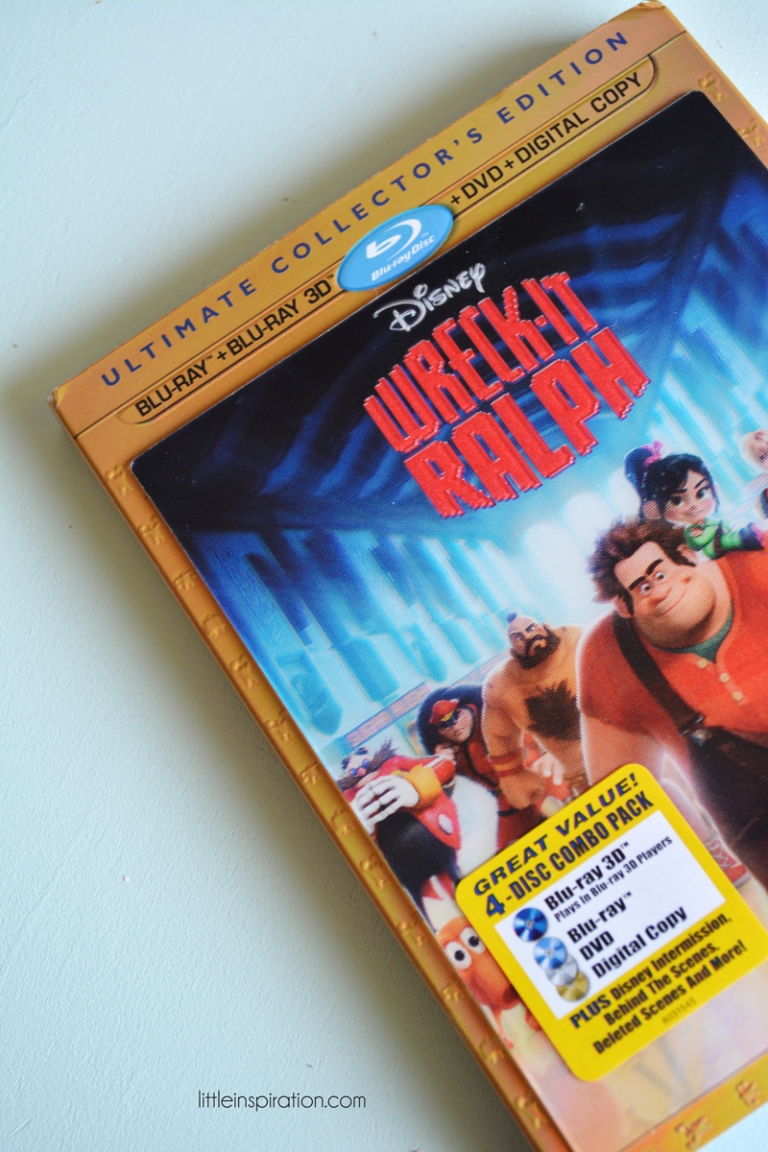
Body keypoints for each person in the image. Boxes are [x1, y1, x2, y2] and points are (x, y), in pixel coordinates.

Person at [579, 516, 768, 888]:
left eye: (661, 574)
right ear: (623, 605)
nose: (660, 592)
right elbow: (619, 803)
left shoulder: (757, 568)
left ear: (687, 555)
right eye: (643, 587)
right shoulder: (608, 659)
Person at [481, 613, 587, 812]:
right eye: (518, 638)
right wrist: (513, 774)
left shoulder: (578, 638)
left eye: (530, 629)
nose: (529, 637)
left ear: (545, 626)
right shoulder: (501, 686)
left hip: (630, 747)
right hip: (581, 776)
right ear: (513, 651)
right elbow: (499, 735)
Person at [340, 741, 462, 911]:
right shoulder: (349, 796)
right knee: (416, 902)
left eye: (364, 763)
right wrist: (357, 827)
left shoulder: (394, 763)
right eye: (354, 772)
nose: (361, 771)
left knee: (456, 877)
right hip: (395, 855)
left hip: (431, 836)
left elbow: (443, 765)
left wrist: (415, 787)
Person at [417, 687, 541, 848]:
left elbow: (534, 741)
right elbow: (445, 798)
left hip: (535, 788)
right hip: (504, 812)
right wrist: (442, 768)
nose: (455, 727)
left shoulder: (494, 719)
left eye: (456, 716)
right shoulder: (449, 752)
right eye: (445, 725)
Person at [624, 444, 764, 558]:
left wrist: (730, 526)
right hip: (716, 552)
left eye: (701, 493)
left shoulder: (709, 521)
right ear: (653, 509)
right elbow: (699, 541)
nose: (694, 505)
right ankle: (740, 538)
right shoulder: (688, 532)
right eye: (676, 501)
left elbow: (723, 524)